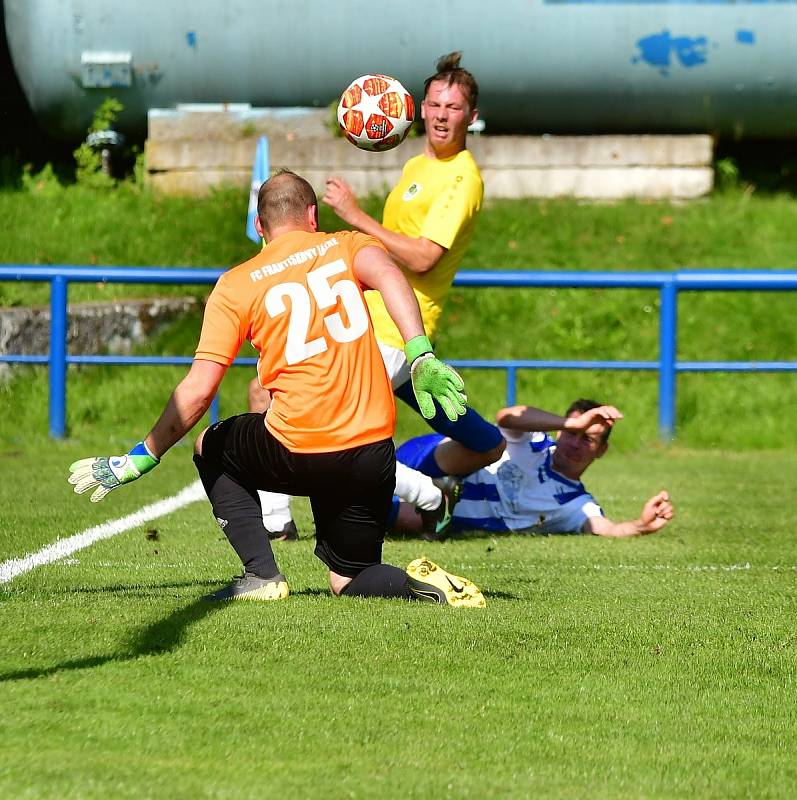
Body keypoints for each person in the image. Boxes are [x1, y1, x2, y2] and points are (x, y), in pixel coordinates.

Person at [67, 170, 485, 608]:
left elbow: (199, 391)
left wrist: (143, 455)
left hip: (299, 451)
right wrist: (420, 353)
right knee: (350, 579)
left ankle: (262, 574)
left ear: (259, 226)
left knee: (210, 443)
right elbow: (391, 276)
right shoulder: (344, 245)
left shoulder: (237, 284)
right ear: (312, 214)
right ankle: (425, 586)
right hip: (372, 451)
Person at [251, 51, 505, 540]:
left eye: (453, 107)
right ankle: (434, 489)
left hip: (395, 331)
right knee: (484, 443)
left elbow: (424, 257)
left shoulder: (462, 178)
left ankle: (425, 496)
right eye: (433, 104)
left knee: (300, 409)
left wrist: (354, 215)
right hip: (362, 316)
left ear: (471, 117)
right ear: (418, 108)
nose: (441, 115)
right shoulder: (415, 164)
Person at [391, 400, 675, 539]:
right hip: (425, 460)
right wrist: (571, 423)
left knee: (413, 519)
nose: (574, 443)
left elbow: (606, 528)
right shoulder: (533, 441)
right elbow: (508, 416)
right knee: (489, 443)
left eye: (587, 439)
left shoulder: (575, 503)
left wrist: (641, 525)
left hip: (428, 515)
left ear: (601, 451)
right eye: (571, 433)